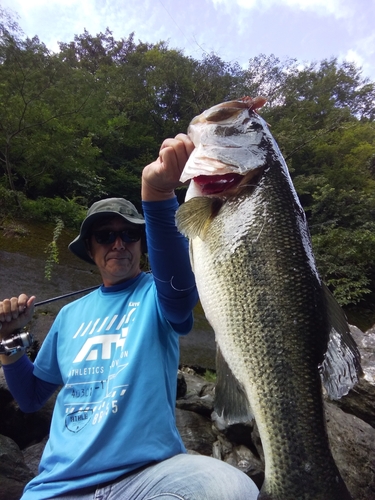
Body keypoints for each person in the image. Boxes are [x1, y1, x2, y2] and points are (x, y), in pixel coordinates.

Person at [0, 134, 259, 500]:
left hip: (150, 476)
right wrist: (9, 341)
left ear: (143, 242)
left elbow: (181, 290)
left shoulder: (160, 293)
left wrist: (156, 192)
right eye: (106, 236)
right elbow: (29, 398)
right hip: (59, 486)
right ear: (90, 250)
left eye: (130, 234)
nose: (118, 243)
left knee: (233, 487)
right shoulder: (68, 315)